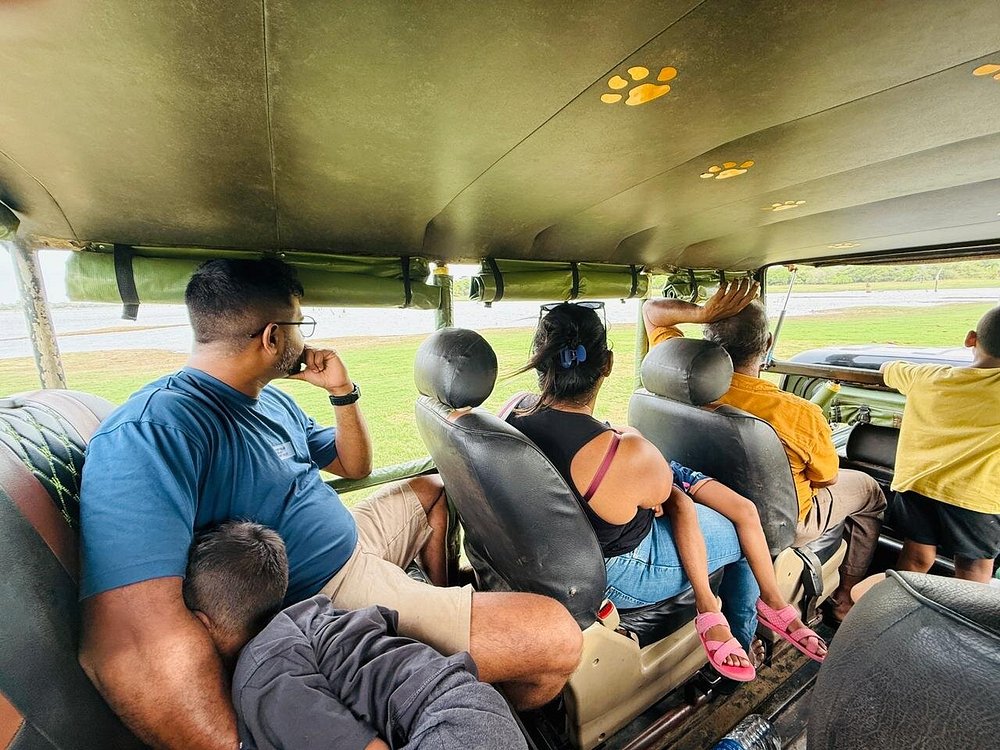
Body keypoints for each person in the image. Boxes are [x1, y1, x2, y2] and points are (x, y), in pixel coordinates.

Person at [78, 258, 582, 750]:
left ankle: (445, 622)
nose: (305, 337)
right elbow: (133, 645)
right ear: (274, 336)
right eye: (301, 324)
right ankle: (454, 687)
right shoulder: (153, 433)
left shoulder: (268, 397)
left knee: (430, 489)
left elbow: (354, 465)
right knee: (557, 637)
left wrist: (342, 393)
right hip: (324, 592)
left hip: (348, 538)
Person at [505, 303, 826, 682]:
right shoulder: (622, 452)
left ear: (541, 363)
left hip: (550, 556)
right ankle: (743, 634)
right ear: (607, 364)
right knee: (744, 528)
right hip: (619, 573)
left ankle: (747, 617)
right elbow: (668, 497)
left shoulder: (513, 411)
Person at [643, 280, 887, 623]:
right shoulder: (797, 412)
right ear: (767, 343)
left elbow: (652, 313)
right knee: (869, 489)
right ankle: (845, 598)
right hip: (780, 519)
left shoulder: (675, 380)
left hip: (698, 497)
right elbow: (827, 477)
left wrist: (703, 313)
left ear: (708, 339)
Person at [183, 521, 527, 750]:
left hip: (459, 733)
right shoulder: (310, 615)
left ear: (202, 623)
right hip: (476, 714)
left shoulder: (261, 674)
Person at [879, 305, 1000, 583]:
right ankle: (962, 625)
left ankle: (892, 613)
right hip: (975, 498)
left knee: (916, 558)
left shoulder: (927, 377)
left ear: (971, 339)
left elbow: (889, 368)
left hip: (918, 484)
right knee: (972, 573)